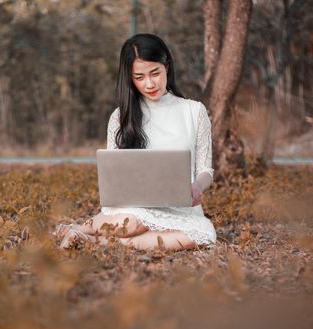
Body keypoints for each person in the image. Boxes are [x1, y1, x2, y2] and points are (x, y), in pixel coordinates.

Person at [54, 33, 216, 251]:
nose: (149, 83)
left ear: (166, 66)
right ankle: (87, 230)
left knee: (202, 236)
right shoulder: (120, 117)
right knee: (133, 222)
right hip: (132, 209)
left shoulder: (194, 111)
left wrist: (197, 186)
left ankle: (91, 237)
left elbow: (205, 169)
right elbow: (114, 176)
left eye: (155, 73)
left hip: (180, 209)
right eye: (139, 77)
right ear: (129, 78)